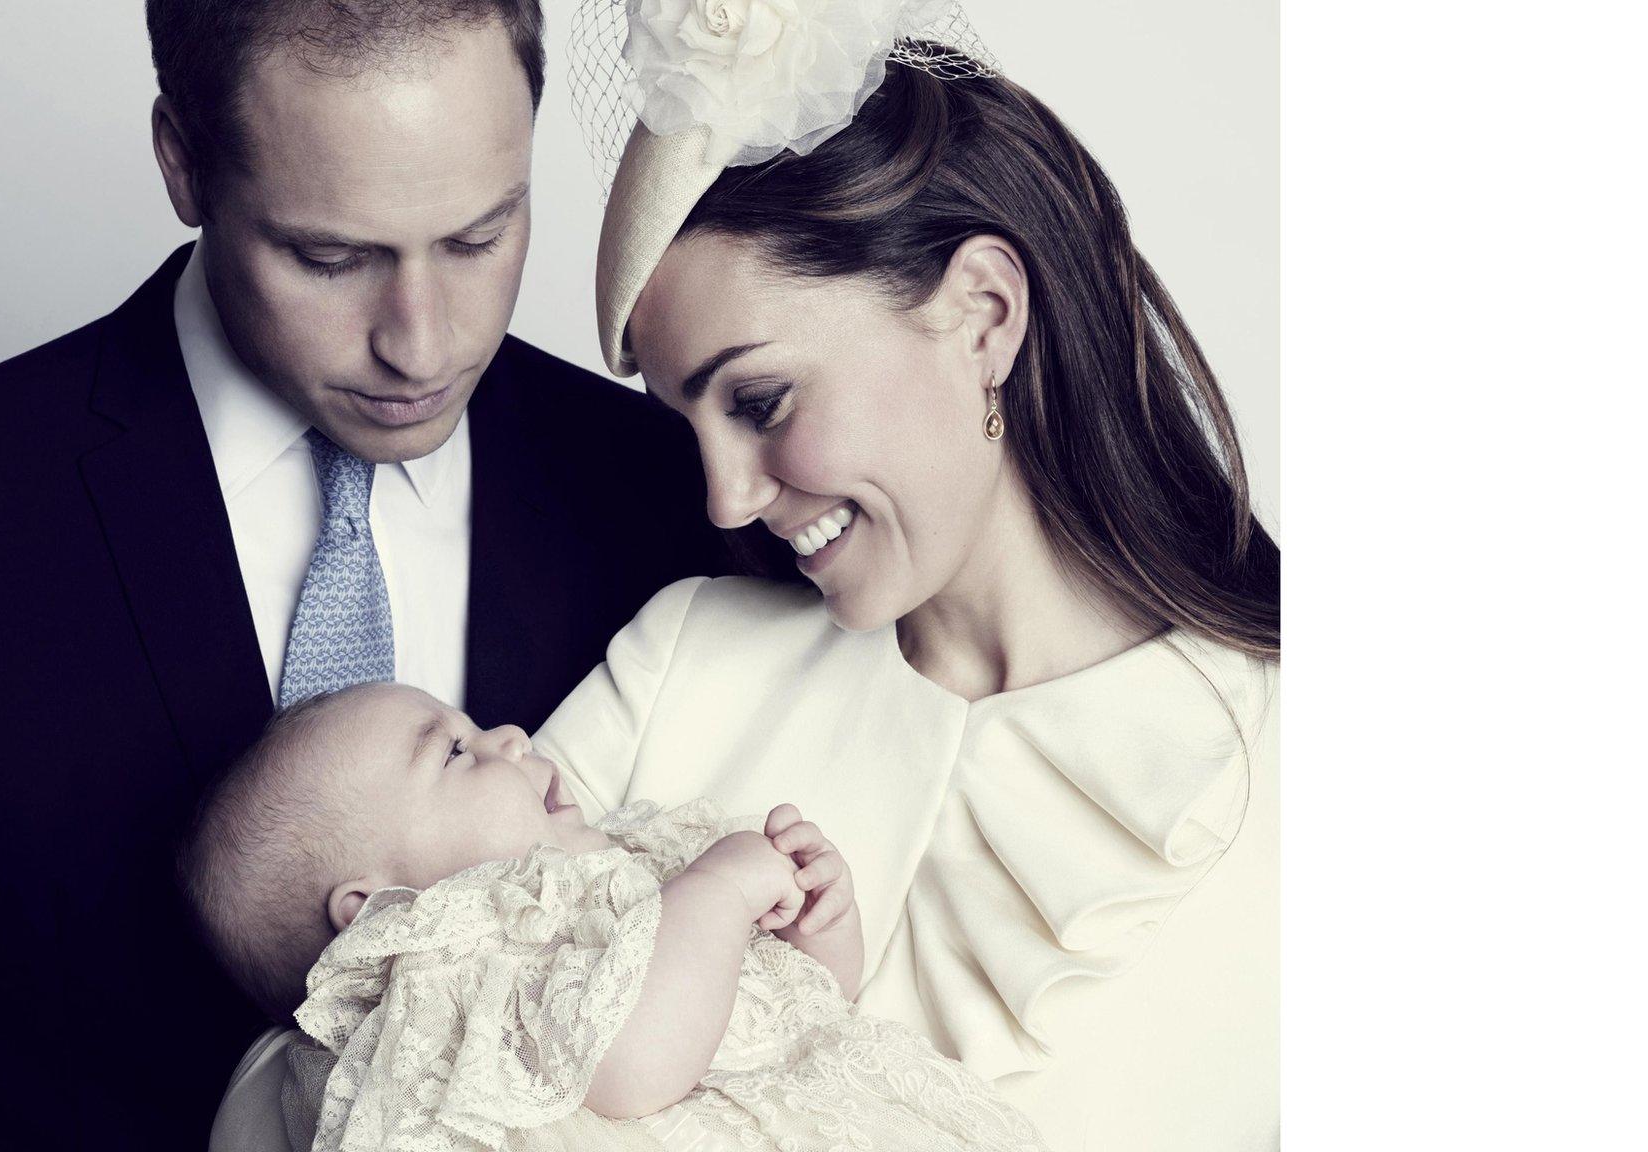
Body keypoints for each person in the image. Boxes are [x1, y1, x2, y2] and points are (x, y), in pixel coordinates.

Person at [529, 9, 1283, 1150]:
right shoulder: (679, 661)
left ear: (982, 314)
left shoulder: (1298, 779)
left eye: (760, 402)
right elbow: (385, 1035)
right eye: (686, 426)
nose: (724, 500)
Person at [0, 0, 724, 1145]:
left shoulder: (676, 492)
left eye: (480, 238)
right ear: (182, 164)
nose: (420, 344)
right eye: (330, 257)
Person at [182, 682, 1048, 1152]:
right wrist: (716, 894)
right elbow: (630, 1060)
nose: (511, 737)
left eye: (473, 725)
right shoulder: (459, 967)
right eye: (454, 752)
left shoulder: (632, 858)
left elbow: (780, 1021)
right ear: (378, 914)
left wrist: (813, 934)